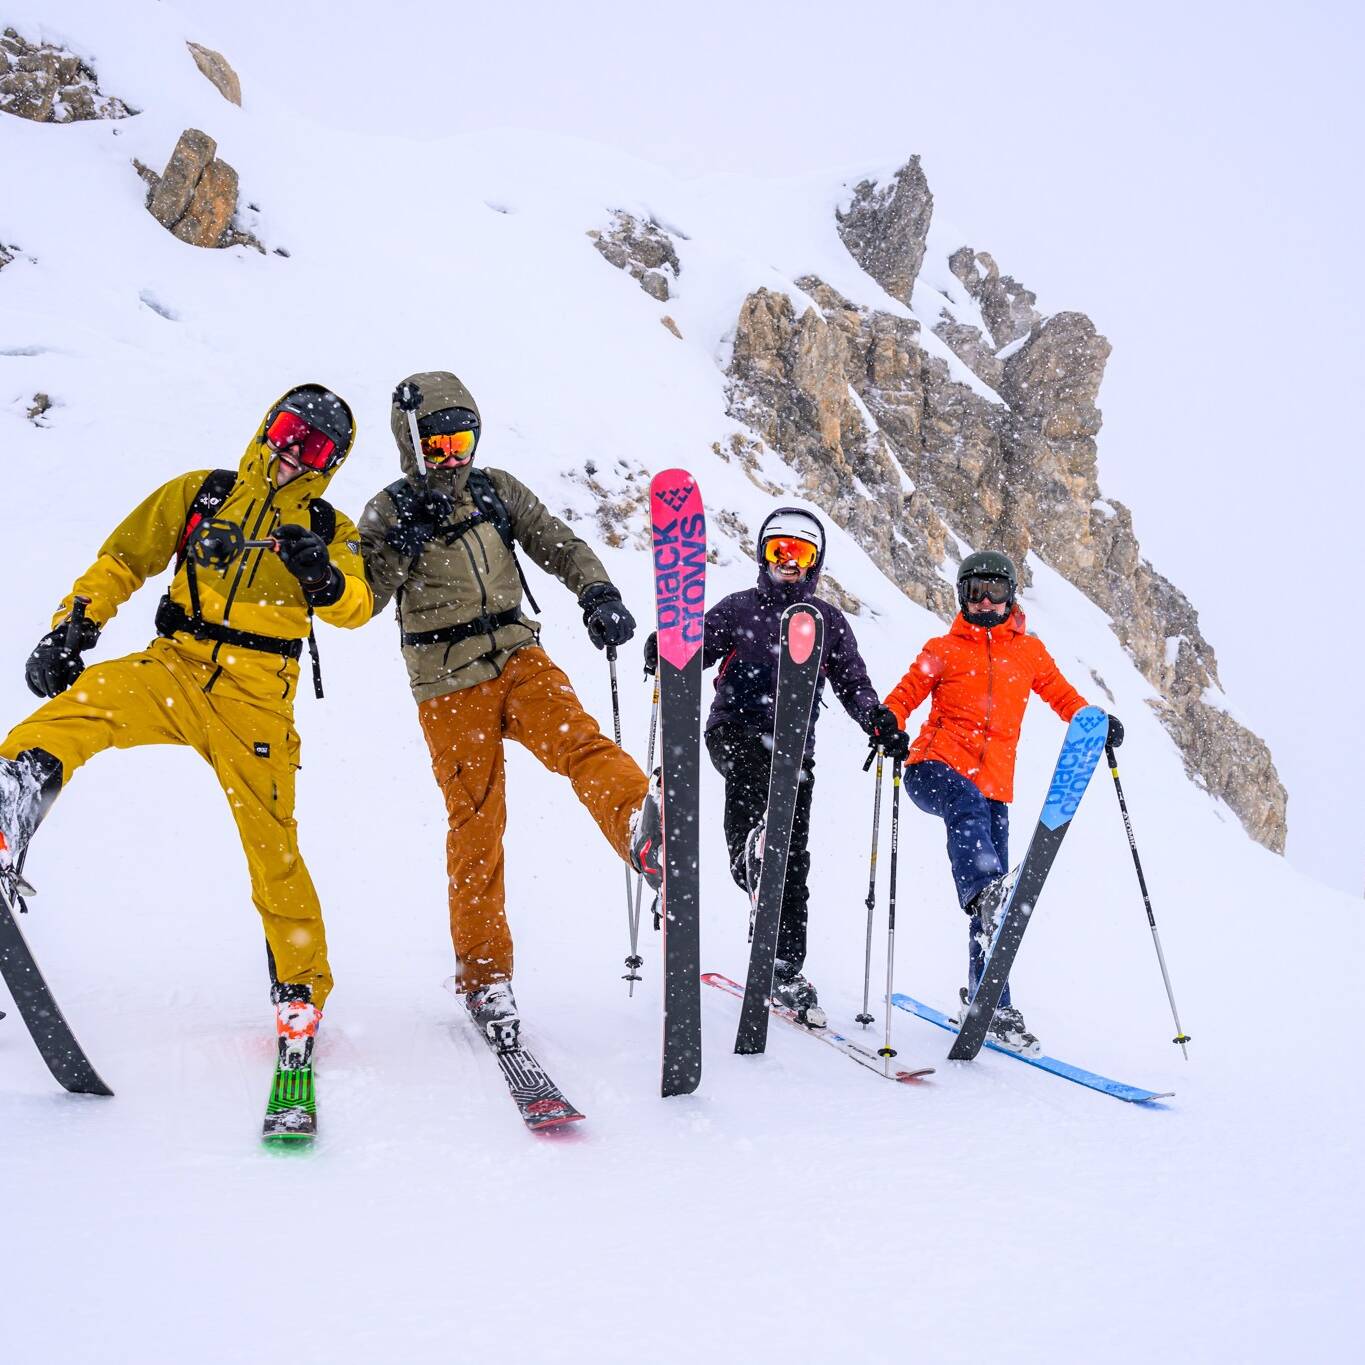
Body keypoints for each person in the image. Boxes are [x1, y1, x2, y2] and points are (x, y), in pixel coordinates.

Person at [0, 384, 373, 1072]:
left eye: (313, 445)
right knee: (82, 706)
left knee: (274, 849)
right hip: (174, 664)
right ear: (268, 426)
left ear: (332, 461)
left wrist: (320, 574)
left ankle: (299, 990)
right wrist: (74, 624)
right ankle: (10, 802)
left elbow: (358, 603)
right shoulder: (202, 494)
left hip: (257, 699)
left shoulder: (329, 526)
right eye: (288, 430)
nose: (292, 451)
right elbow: (123, 558)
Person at [357, 370, 659, 1051]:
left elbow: (554, 539)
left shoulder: (494, 489)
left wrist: (596, 592)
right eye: (438, 446)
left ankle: (643, 825)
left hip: (518, 653)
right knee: (476, 824)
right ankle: (485, 976)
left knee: (579, 742)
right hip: (444, 679)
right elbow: (361, 600)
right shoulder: (386, 508)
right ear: (412, 445)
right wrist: (400, 544)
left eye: (462, 440)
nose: (453, 457)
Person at [648, 506, 901, 1027]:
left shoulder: (827, 622)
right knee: (748, 789)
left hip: (794, 753)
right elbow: (695, 646)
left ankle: (784, 965)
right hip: (736, 730)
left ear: (815, 563)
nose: (788, 562)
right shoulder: (739, 608)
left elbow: (852, 683)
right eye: (777, 551)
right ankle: (753, 860)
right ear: (762, 556)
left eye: (799, 554)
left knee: (795, 858)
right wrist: (669, 648)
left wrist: (876, 719)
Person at [881, 549, 1123, 1053]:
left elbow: (1064, 697)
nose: (985, 601)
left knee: (994, 909)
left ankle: (992, 1003)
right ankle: (984, 895)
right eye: (975, 592)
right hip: (933, 768)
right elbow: (904, 694)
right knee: (980, 859)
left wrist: (1095, 723)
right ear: (962, 597)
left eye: (994, 591)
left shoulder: (1029, 653)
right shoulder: (942, 648)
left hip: (994, 790)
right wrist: (887, 721)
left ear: (1011, 597)